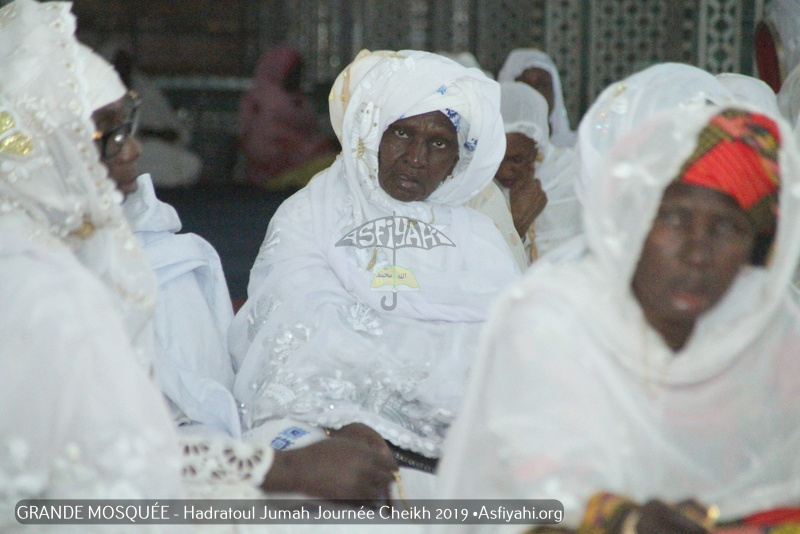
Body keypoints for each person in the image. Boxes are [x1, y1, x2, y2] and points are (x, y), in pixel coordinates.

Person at [435, 103, 800, 532]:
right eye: (673, 219)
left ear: (754, 248)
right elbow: (525, 496)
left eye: (725, 229)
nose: (697, 253)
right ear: (627, 222)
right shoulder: (554, 321)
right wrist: (622, 521)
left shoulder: (769, 330)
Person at [90, 48, 400, 503]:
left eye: (127, 130)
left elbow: (212, 406)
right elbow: (73, 464)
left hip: (204, 456)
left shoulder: (167, 251)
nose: (132, 148)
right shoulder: (34, 284)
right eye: (109, 136)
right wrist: (277, 469)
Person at [229, 50, 521, 494]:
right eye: (401, 133)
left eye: (439, 143)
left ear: (459, 158)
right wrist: (347, 418)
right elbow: (296, 328)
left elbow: (508, 344)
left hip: (457, 434)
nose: (416, 158)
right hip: (325, 422)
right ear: (370, 132)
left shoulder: (475, 235)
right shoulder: (311, 215)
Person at [496, 81, 582, 262]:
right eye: (496, 158)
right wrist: (515, 222)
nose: (504, 171)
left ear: (538, 149)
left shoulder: (573, 177)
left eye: (517, 159)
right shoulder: (475, 188)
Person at [238, 45, 338, 191]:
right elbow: (262, 147)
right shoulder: (261, 101)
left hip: (305, 166)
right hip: (273, 176)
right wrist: (309, 150)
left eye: (299, 70)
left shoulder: (299, 101)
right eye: (293, 70)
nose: (297, 75)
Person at [497, 48, 577, 147]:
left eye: (542, 85)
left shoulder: (576, 149)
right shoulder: (491, 149)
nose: (533, 92)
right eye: (524, 85)